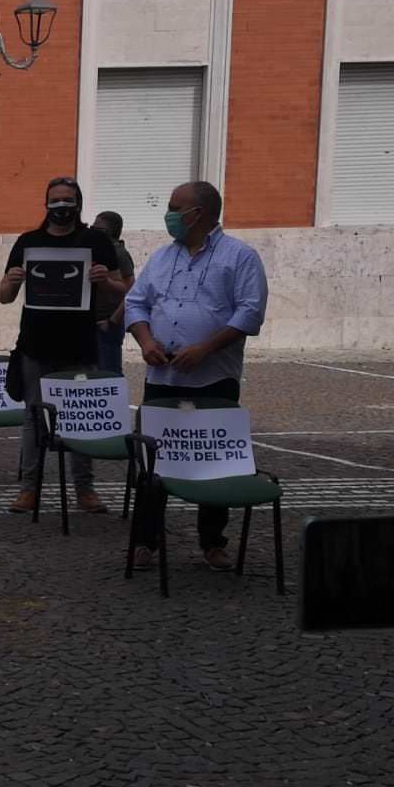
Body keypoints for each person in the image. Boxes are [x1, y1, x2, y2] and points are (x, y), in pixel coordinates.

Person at [126, 181, 269, 572]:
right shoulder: (161, 257)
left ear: (198, 214)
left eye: (175, 208)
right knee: (153, 459)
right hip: (162, 376)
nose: (168, 215)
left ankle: (213, 541)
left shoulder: (240, 256)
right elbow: (136, 303)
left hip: (214, 377)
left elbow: (250, 313)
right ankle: (145, 541)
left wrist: (205, 348)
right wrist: (146, 341)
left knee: (213, 460)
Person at [0, 177, 127, 515]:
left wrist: (106, 282)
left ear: (78, 204)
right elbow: (4, 296)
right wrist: (10, 282)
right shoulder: (28, 242)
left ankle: (85, 489)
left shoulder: (95, 241)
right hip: (35, 345)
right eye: (54, 200)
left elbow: (123, 291)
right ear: (46, 204)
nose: (61, 206)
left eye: (67, 200)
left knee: (79, 419)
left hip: (80, 345)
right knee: (33, 417)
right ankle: (29, 489)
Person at [91, 211, 135, 376]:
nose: (93, 232)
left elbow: (131, 291)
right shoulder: (100, 251)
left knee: (109, 375)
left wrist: (112, 321)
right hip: (95, 323)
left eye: (97, 229)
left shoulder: (118, 253)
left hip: (106, 324)